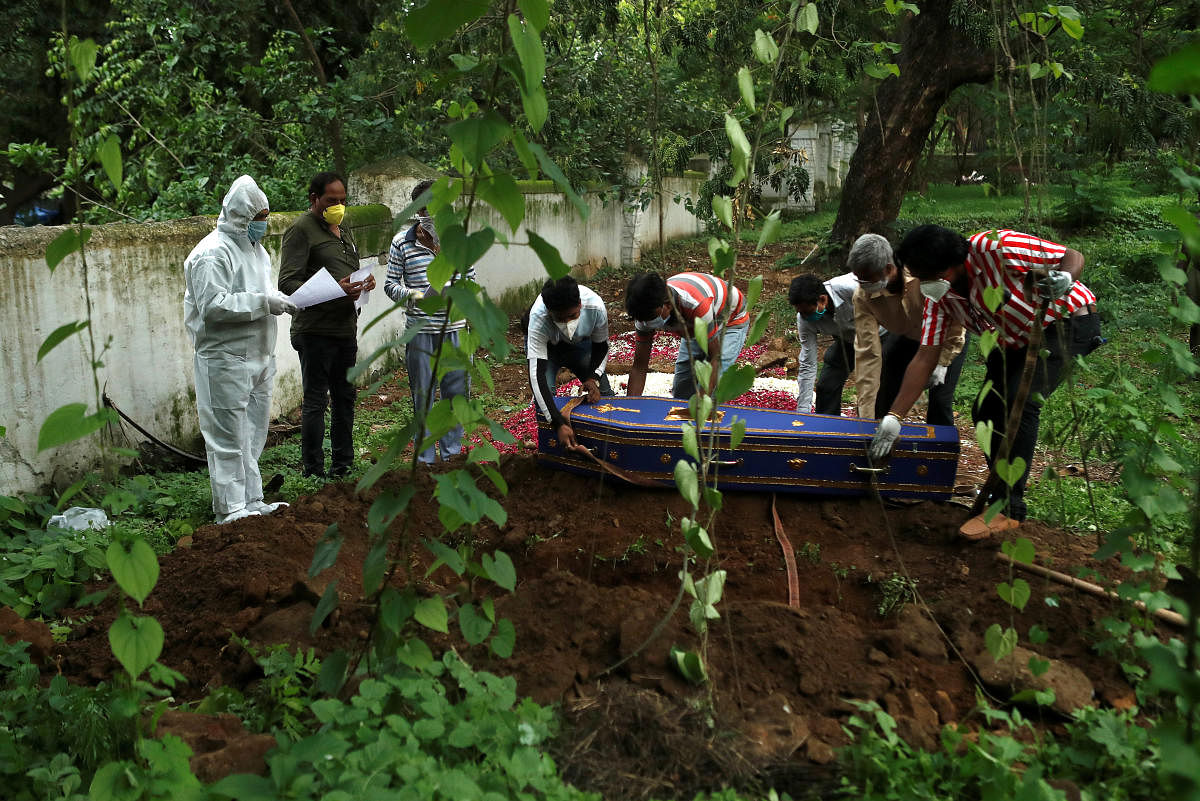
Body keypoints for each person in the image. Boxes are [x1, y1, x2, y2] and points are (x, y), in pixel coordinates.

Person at [868, 225, 1102, 539]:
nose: (923, 284)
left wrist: (1066, 277)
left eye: (927, 276)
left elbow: (1071, 255)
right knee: (986, 411)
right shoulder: (941, 298)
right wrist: (894, 417)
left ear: (951, 266)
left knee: (1022, 401)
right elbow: (925, 355)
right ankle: (1002, 483)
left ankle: (1009, 507)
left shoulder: (996, 247)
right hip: (1012, 341)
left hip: (1065, 323)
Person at [184, 175, 294, 524]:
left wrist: (274, 302)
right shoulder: (211, 253)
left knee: (252, 434)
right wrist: (265, 302)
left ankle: (251, 498)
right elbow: (213, 306)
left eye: (265, 215)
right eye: (259, 216)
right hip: (224, 359)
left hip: (259, 356)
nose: (264, 223)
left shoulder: (256, 251)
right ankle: (229, 509)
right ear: (240, 215)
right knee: (227, 437)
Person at [279, 171, 375, 478]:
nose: (338, 206)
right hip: (315, 331)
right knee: (317, 400)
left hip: (345, 328)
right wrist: (335, 288)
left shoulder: (342, 230)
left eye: (343, 201)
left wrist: (363, 283)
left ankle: (343, 465)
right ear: (314, 199)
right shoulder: (301, 230)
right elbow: (287, 282)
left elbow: (348, 273)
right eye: (332, 200)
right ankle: (313, 471)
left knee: (345, 397)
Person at [384, 179, 473, 463]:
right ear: (417, 211)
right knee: (423, 396)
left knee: (455, 396)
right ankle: (424, 460)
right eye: (426, 208)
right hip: (421, 331)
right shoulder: (402, 242)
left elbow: (471, 278)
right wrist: (412, 295)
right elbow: (390, 285)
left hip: (455, 329)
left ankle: (451, 455)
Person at [847, 233, 968, 424]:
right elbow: (867, 353)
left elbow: (955, 316)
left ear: (888, 268)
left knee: (939, 399)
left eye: (868, 279)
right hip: (906, 337)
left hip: (947, 337)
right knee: (884, 387)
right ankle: (878, 435)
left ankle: (941, 451)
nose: (864, 286)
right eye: (859, 280)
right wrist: (867, 420)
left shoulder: (922, 274)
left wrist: (943, 361)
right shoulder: (863, 297)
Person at [625, 271, 748, 399]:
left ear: (667, 305)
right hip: (694, 324)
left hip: (729, 320)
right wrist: (630, 407)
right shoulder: (644, 313)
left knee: (712, 395)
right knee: (681, 392)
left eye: (650, 318)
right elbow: (640, 366)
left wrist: (701, 403)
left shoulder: (696, 305)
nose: (645, 323)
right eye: (641, 319)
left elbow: (716, 357)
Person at [525, 275, 613, 452]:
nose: (567, 323)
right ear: (549, 312)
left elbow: (601, 346)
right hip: (548, 350)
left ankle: (606, 446)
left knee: (603, 394)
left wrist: (592, 377)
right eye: (560, 318)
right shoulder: (538, 318)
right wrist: (557, 423)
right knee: (546, 397)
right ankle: (554, 449)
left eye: (572, 316)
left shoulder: (595, 307)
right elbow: (537, 376)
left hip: (580, 346)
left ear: (580, 304)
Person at [788, 272, 860, 415]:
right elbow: (808, 364)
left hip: (882, 335)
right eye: (800, 312)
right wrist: (803, 413)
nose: (805, 318)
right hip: (849, 341)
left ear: (822, 299)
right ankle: (827, 428)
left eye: (807, 312)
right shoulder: (804, 320)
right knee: (827, 384)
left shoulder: (851, 288)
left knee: (875, 386)